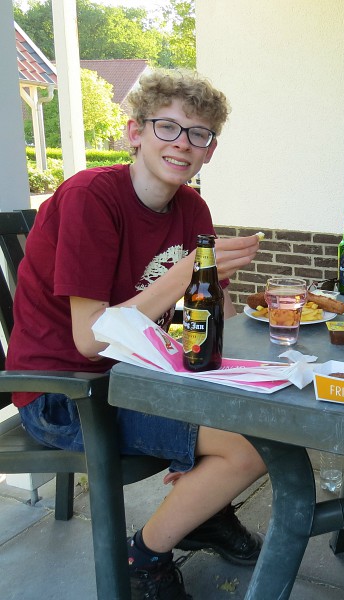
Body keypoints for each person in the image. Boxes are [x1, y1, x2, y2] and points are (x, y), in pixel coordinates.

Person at [7, 69, 266, 600]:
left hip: (137, 377)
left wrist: (222, 301)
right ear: (134, 132)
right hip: (66, 393)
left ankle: (200, 512)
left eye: (199, 134)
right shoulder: (90, 197)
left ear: (210, 151)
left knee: (270, 416)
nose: (182, 144)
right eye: (167, 127)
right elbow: (90, 340)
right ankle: (143, 557)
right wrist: (186, 275)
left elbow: (204, 311)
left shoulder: (192, 208)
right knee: (248, 448)